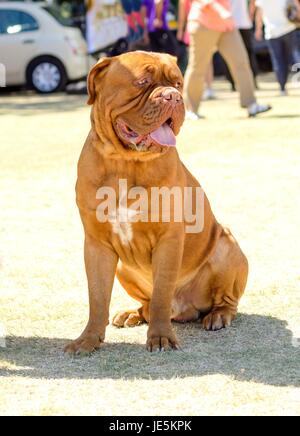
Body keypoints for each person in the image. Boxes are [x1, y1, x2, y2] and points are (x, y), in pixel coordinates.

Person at [178, 0, 271, 119]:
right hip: (203, 24)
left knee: (241, 62)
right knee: (198, 68)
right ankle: (190, 110)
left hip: (227, 26)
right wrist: (222, 11)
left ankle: (251, 105)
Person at [255, 0, 300, 95]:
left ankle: (282, 88)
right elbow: (296, 6)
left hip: (272, 32)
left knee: (278, 60)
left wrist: (258, 30)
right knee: (293, 56)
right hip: (288, 28)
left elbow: (259, 14)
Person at [225, 0, 259, 90]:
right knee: (247, 54)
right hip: (240, 24)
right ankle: (251, 81)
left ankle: (234, 83)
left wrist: (250, 16)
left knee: (232, 55)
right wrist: (250, 16)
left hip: (234, 25)